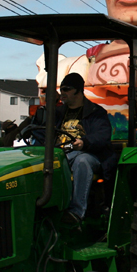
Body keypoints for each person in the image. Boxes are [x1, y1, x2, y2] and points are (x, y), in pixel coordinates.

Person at [57, 73, 117, 224]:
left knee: (82, 161)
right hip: (61, 154)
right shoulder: (56, 113)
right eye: (61, 89)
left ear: (78, 90)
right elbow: (41, 133)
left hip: (90, 153)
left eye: (66, 89)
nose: (62, 93)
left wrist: (84, 142)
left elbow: (103, 136)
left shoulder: (96, 112)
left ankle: (76, 213)